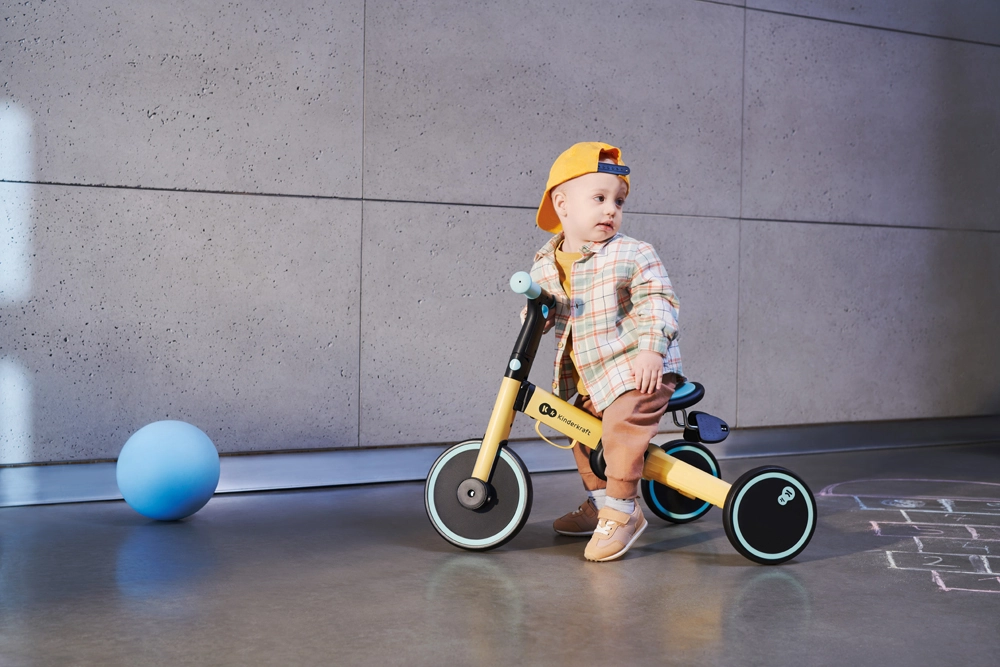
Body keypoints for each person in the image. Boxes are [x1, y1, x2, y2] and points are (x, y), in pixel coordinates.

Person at [526, 141, 684, 562]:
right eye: (599, 198)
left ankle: (623, 509)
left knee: (621, 423)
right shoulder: (545, 263)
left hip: (637, 371)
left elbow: (658, 300)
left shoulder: (633, 253)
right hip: (591, 376)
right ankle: (600, 503)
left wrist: (651, 351)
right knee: (576, 426)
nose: (611, 210)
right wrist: (537, 317)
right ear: (562, 204)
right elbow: (545, 310)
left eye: (618, 201)